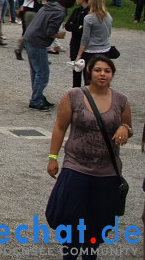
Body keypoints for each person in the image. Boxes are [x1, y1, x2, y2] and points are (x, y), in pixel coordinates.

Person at [46, 56, 132, 260]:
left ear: (112, 74)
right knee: (69, 216)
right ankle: (69, 254)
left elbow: (129, 128)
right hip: (76, 165)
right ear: (89, 73)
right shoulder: (74, 96)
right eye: (98, 70)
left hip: (107, 170)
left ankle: (89, 255)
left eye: (107, 71)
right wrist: (53, 157)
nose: (102, 74)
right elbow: (60, 126)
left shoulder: (121, 100)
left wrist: (124, 128)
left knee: (98, 220)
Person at [24, 0, 75, 110]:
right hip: (38, 41)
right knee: (42, 73)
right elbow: (49, 32)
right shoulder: (59, 13)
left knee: (36, 71)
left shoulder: (48, 6)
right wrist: (59, 35)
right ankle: (36, 100)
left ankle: (38, 95)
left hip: (29, 37)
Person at [75, 0, 114, 67]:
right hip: (105, 49)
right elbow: (108, 33)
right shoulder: (108, 16)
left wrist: (79, 54)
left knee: (90, 75)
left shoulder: (89, 18)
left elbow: (85, 37)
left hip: (91, 50)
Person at [64, 0, 91, 88]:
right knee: (76, 68)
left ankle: (88, 91)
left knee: (87, 69)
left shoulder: (90, 12)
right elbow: (67, 25)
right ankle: (76, 90)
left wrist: (77, 27)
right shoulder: (77, 11)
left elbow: (86, 29)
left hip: (86, 43)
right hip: (75, 42)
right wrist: (78, 26)